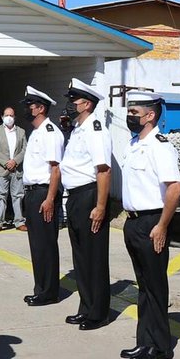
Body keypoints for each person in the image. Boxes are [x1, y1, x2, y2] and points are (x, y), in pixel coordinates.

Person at [119, 93, 180, 359]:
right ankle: (144, 341)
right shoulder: (134, 144)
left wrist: (161, 226)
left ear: (150, 115)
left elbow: (175, 188)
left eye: (135, 111)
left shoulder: (160, 146)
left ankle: (159, 346)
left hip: (151, 221)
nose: (130, 116)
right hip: (133, 221)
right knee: (143, 285)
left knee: (155, 286)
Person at [61, 78, 113, 331]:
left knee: (94, 257)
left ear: (87, 103)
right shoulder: (77, 129)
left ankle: (98, 312)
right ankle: (86, 306)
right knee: (81, 257)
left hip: (90, 195)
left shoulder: (95, 128)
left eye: (74, 100)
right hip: (75, 197)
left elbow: (103, 170)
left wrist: (101, 206)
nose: (70, 104)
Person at [20, 86, 65, 306]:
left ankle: (49, 292)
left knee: (46, 244)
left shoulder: (50, 132)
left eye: (30, 106)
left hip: (43, 193)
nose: (27, 110)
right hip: (32, 193)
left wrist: (49, 198)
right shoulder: (36, 132)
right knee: (37, 245)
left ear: (40, 108)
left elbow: (55, 169)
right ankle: (41, 288)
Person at [0, 106, 27, 231]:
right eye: (6, 115)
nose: (9, 118)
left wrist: (15, 161)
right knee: (1, 196)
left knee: (18, 195)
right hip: (1, 168)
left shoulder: (21, 131)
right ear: (2, 117)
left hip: (17, 168)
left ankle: (19, 221)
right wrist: (6, 163)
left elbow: (25, 149)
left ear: (14, 117)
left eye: (11, 115)